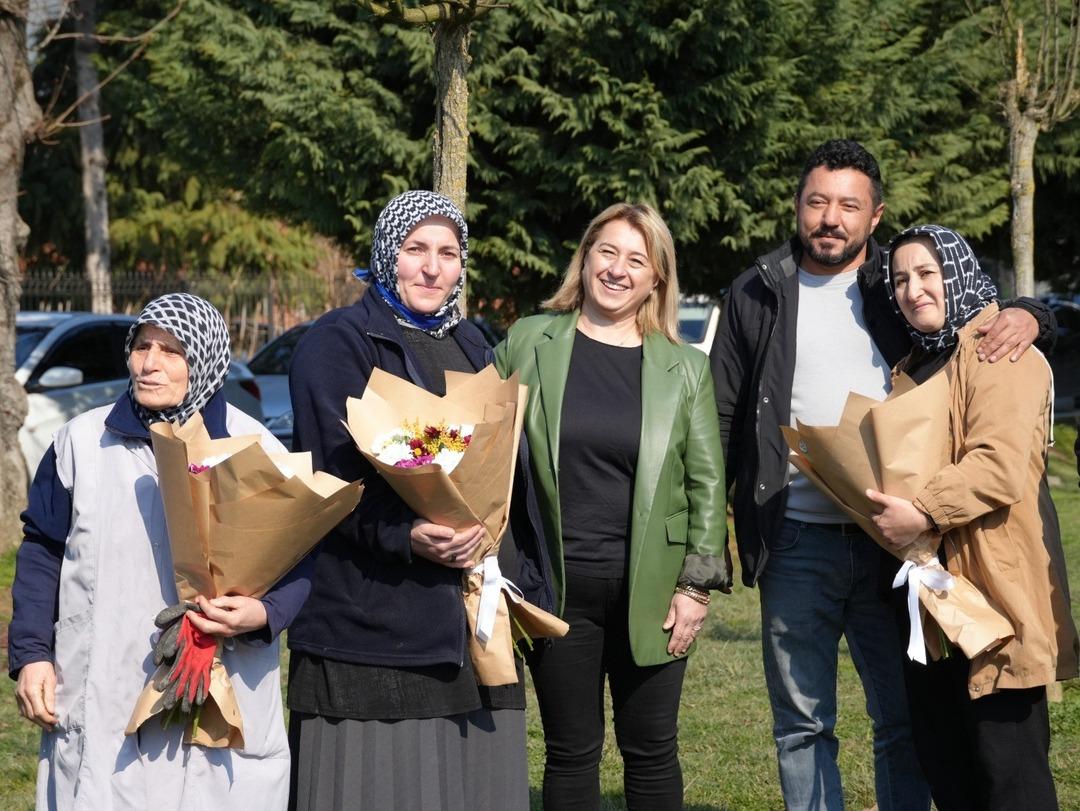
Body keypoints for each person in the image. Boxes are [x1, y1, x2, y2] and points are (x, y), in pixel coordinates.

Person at [709, 139, 1056, 810]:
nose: (830, 218)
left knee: (905, 719)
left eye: (848, 205)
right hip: (794, 540)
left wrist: (1032, 312)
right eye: (817, 201)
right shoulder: (758, 288)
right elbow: (722, 413)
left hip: (898, 547)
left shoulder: (894, 287)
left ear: (876, 215)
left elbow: (967, 319)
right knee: (803, 721)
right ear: (798, 206)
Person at [286, 190, 553, 811]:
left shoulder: (473, 345)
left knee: (471, 787)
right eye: (415, 250)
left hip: (468, 618)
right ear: (386, 255)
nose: (433, 268)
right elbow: (329, 478)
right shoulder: (337, 343)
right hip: (372, 619)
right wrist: (403, 533)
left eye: (448, 253)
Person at [8, 292, 307, 810]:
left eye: (172, 351)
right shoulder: (80, 443)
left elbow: (302, 560)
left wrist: (263, 613)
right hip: (103, 679)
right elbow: (41, 552)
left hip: (218, 679)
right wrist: (33, 655)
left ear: (206, 358)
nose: (149, 364)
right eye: (142, 346)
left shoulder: (256, 448)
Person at [495, 202, 729, 810]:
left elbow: (706, 483)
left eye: (637, 259)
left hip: (652, 591)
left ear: (657, 277)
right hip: (555, 588)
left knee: (652, 749)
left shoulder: (686, 368)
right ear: (585, 257)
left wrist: (696, 587)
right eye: (607, 252)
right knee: (570, 752)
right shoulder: (529, 342)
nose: (618, 270)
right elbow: (481, 447)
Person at [866, 224, 1079, 811]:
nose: (913, 290)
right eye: (901, 279)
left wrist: (922, 512)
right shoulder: (916, 363)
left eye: (927, 274)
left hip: (998, 597)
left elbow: (1000, 464)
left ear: (956, 273)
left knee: (1009, 778)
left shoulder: (999, 349)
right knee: (951, 770)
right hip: (935, 604)